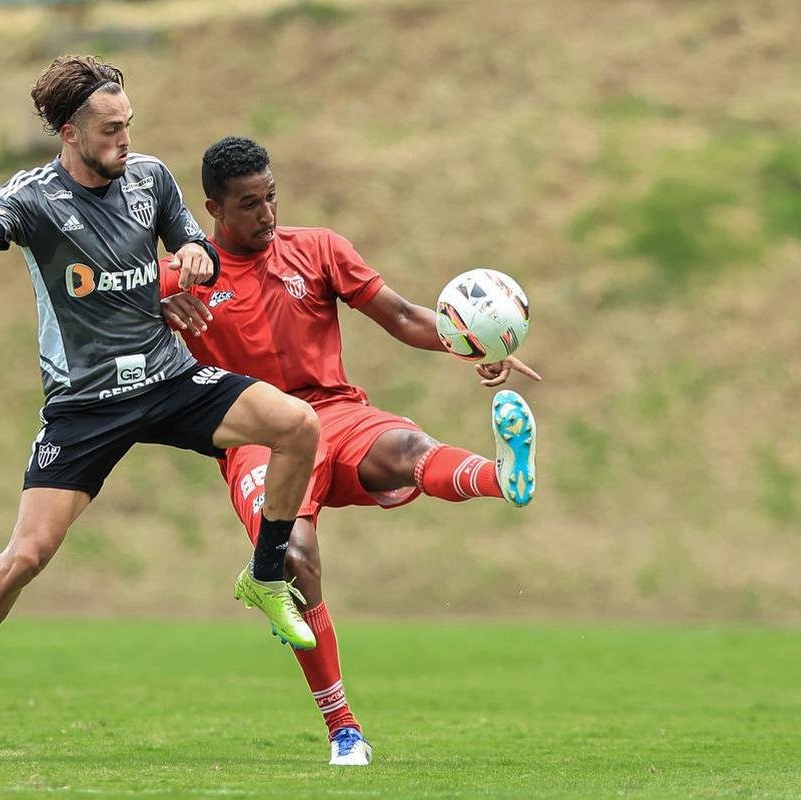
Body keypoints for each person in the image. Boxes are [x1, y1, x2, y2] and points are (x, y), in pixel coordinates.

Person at [0, 60, 324, 763]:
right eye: (111, 130)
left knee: (298, 425)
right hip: (84, 407)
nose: (125, 139)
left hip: (168, 378)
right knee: (26, 556)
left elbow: (190, 238)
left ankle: (264, 574)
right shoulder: (32, 197)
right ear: (70, 132)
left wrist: (195, 256)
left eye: (129, 126)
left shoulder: (150, 178)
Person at [159, 136, 541, 767]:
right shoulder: (185, 279)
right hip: (257, 437)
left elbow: (402, 317)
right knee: (296, 559)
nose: (267, 214)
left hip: (336, 414)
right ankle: (343, 729)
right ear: (213, 210)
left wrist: (470, 344)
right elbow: (114, 325)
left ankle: (502, 477)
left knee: (409, 447)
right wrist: (161, 307)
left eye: (271, 197)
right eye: (250, 204)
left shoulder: (318, 249)